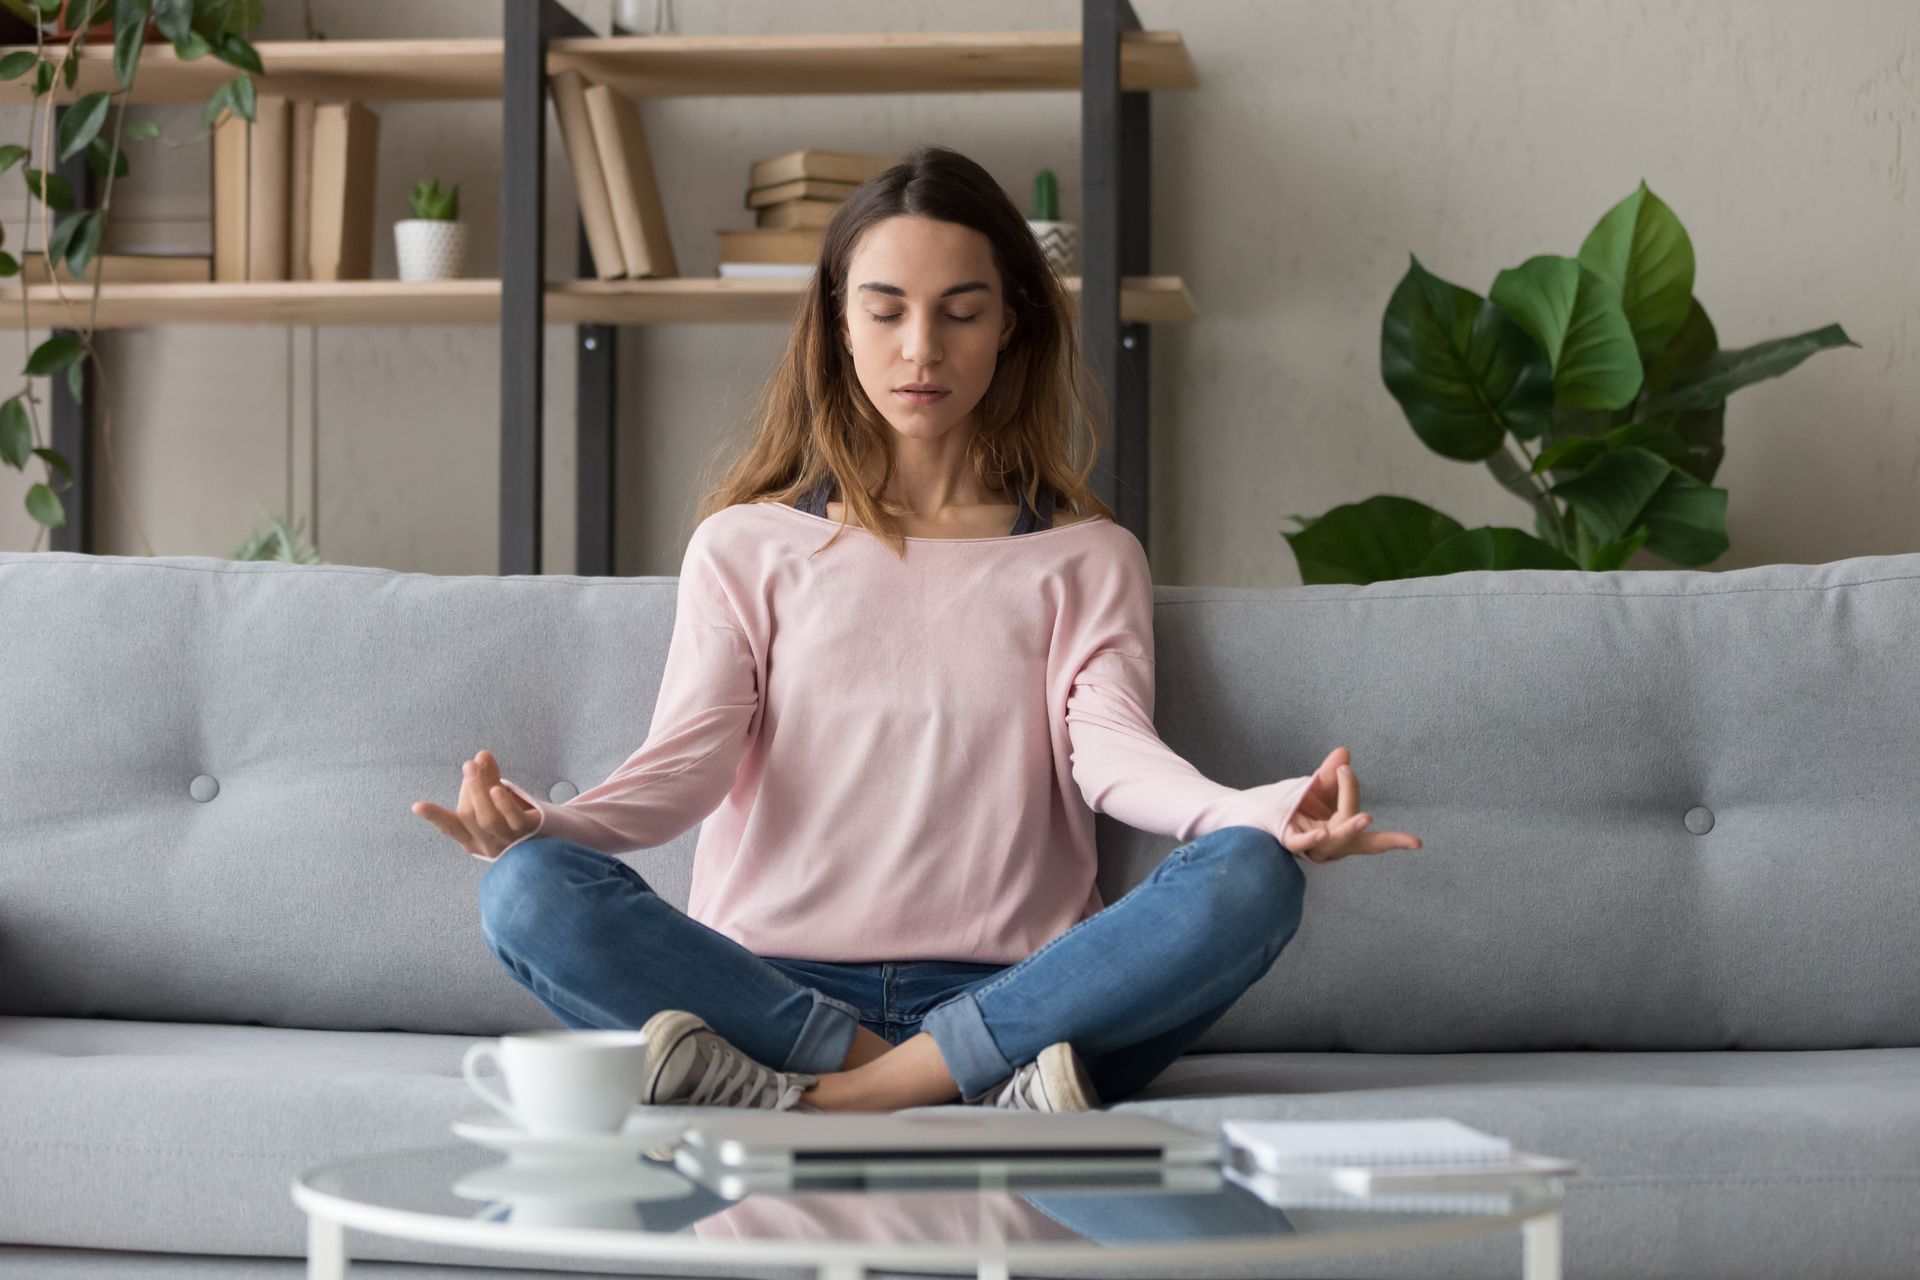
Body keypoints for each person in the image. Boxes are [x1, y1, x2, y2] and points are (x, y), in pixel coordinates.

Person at [412, 144, 1421, 1117]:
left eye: (961, 313)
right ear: (838, 325)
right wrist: (545, 826)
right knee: (528, 891)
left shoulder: (1087, 555)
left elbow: (1116, 755)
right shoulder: (745, 546)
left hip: (1029, 994)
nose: (921, 349)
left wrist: (1257, 808)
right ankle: (951, 1082)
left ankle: (836, 1096)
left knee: (1252, 875)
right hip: (774, 993)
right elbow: (686, 767)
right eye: (885, 310)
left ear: (1012, 325)